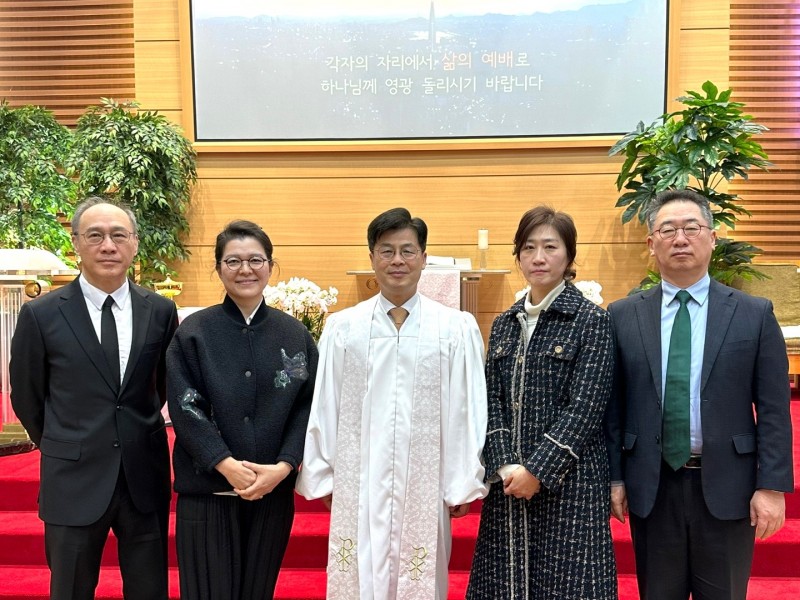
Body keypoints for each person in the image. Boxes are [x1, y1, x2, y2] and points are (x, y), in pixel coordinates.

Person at [605, 189, 794, 600]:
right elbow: (613, 408)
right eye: (667, 230)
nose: (680, 238)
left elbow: (776, 408)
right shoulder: (622, 316)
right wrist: (615, 478)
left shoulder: (753, 313)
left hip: (729, 487)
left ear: (712, 238)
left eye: (692, 228)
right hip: (651, 488)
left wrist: (772, 486)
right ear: (651, 244)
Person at [296, 207, 487, 599]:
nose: (397, 261)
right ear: (372, 258)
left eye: (407, 250)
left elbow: (466, 410)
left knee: (421, 574)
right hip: (359, 478)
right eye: (386, 251)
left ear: (423, 258)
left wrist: (461, 481)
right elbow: (325, 403)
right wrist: (326, 471)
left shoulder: (453, 328)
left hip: (426, 481)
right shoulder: (343, 328)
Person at [10, 196, 178, 600]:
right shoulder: (43, 313)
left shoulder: (159, 310)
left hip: (143, 473)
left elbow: (163, 384)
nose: (108, 245)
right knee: (70, 589)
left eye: (119, 235)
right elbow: (27, 395)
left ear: (135, 243)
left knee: (149, 589)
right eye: (96, 235)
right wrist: (66, 438)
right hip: (73, 476)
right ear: (76, 244)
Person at [467, 206, 618, 599]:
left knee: (566, 585)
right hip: (510, 482)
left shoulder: (591, 320)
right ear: (516, 256)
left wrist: (537, 470)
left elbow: (585, 407)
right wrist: (504, 464)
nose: (538, 257)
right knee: (505, 584)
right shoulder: (504, 322)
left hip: (570, 482)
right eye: (529, 247)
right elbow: (491, 399)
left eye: (550, 247)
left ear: (569, 256)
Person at [167, 220, 318, 599]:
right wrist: (225, 464)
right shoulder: (194, 332)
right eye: (233, 261)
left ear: (270, 265)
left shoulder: (294, 334)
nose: (245, 269)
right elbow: (185, 406)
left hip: (271, 492)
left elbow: (308, 407)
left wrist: (284, 466)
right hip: (208, 492)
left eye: (256, 259)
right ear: (218, 268)